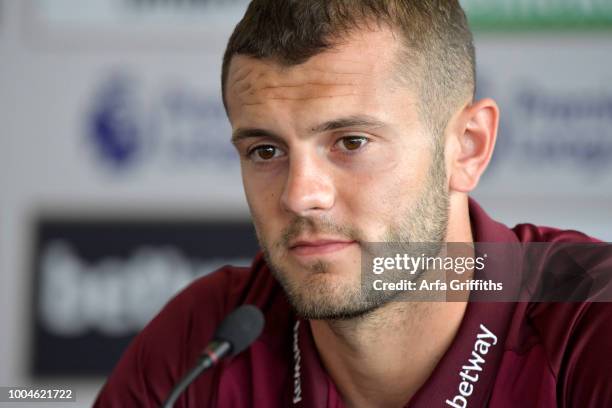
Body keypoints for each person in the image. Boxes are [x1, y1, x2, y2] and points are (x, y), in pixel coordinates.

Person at [94, 1, 612, 407]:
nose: (300, 195)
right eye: (265, 151)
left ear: (468, 146)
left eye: (351, 142)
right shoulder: (202, 340)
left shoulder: (591, 321)